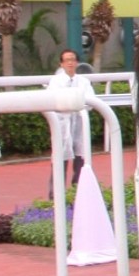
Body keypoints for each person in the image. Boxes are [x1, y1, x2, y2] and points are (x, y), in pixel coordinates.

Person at [46, 49, 93, 195]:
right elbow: (52, 100)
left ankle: (77, 191)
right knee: (61, 157)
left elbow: (90, 101)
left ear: (77, 62)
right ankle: (55, 194)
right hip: (62, 124)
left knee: (81, 156)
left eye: (72, 59)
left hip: (79, 123)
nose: (70, 63)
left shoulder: (84, 82)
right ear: (62, 63)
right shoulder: (55, 81)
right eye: (67, 60)